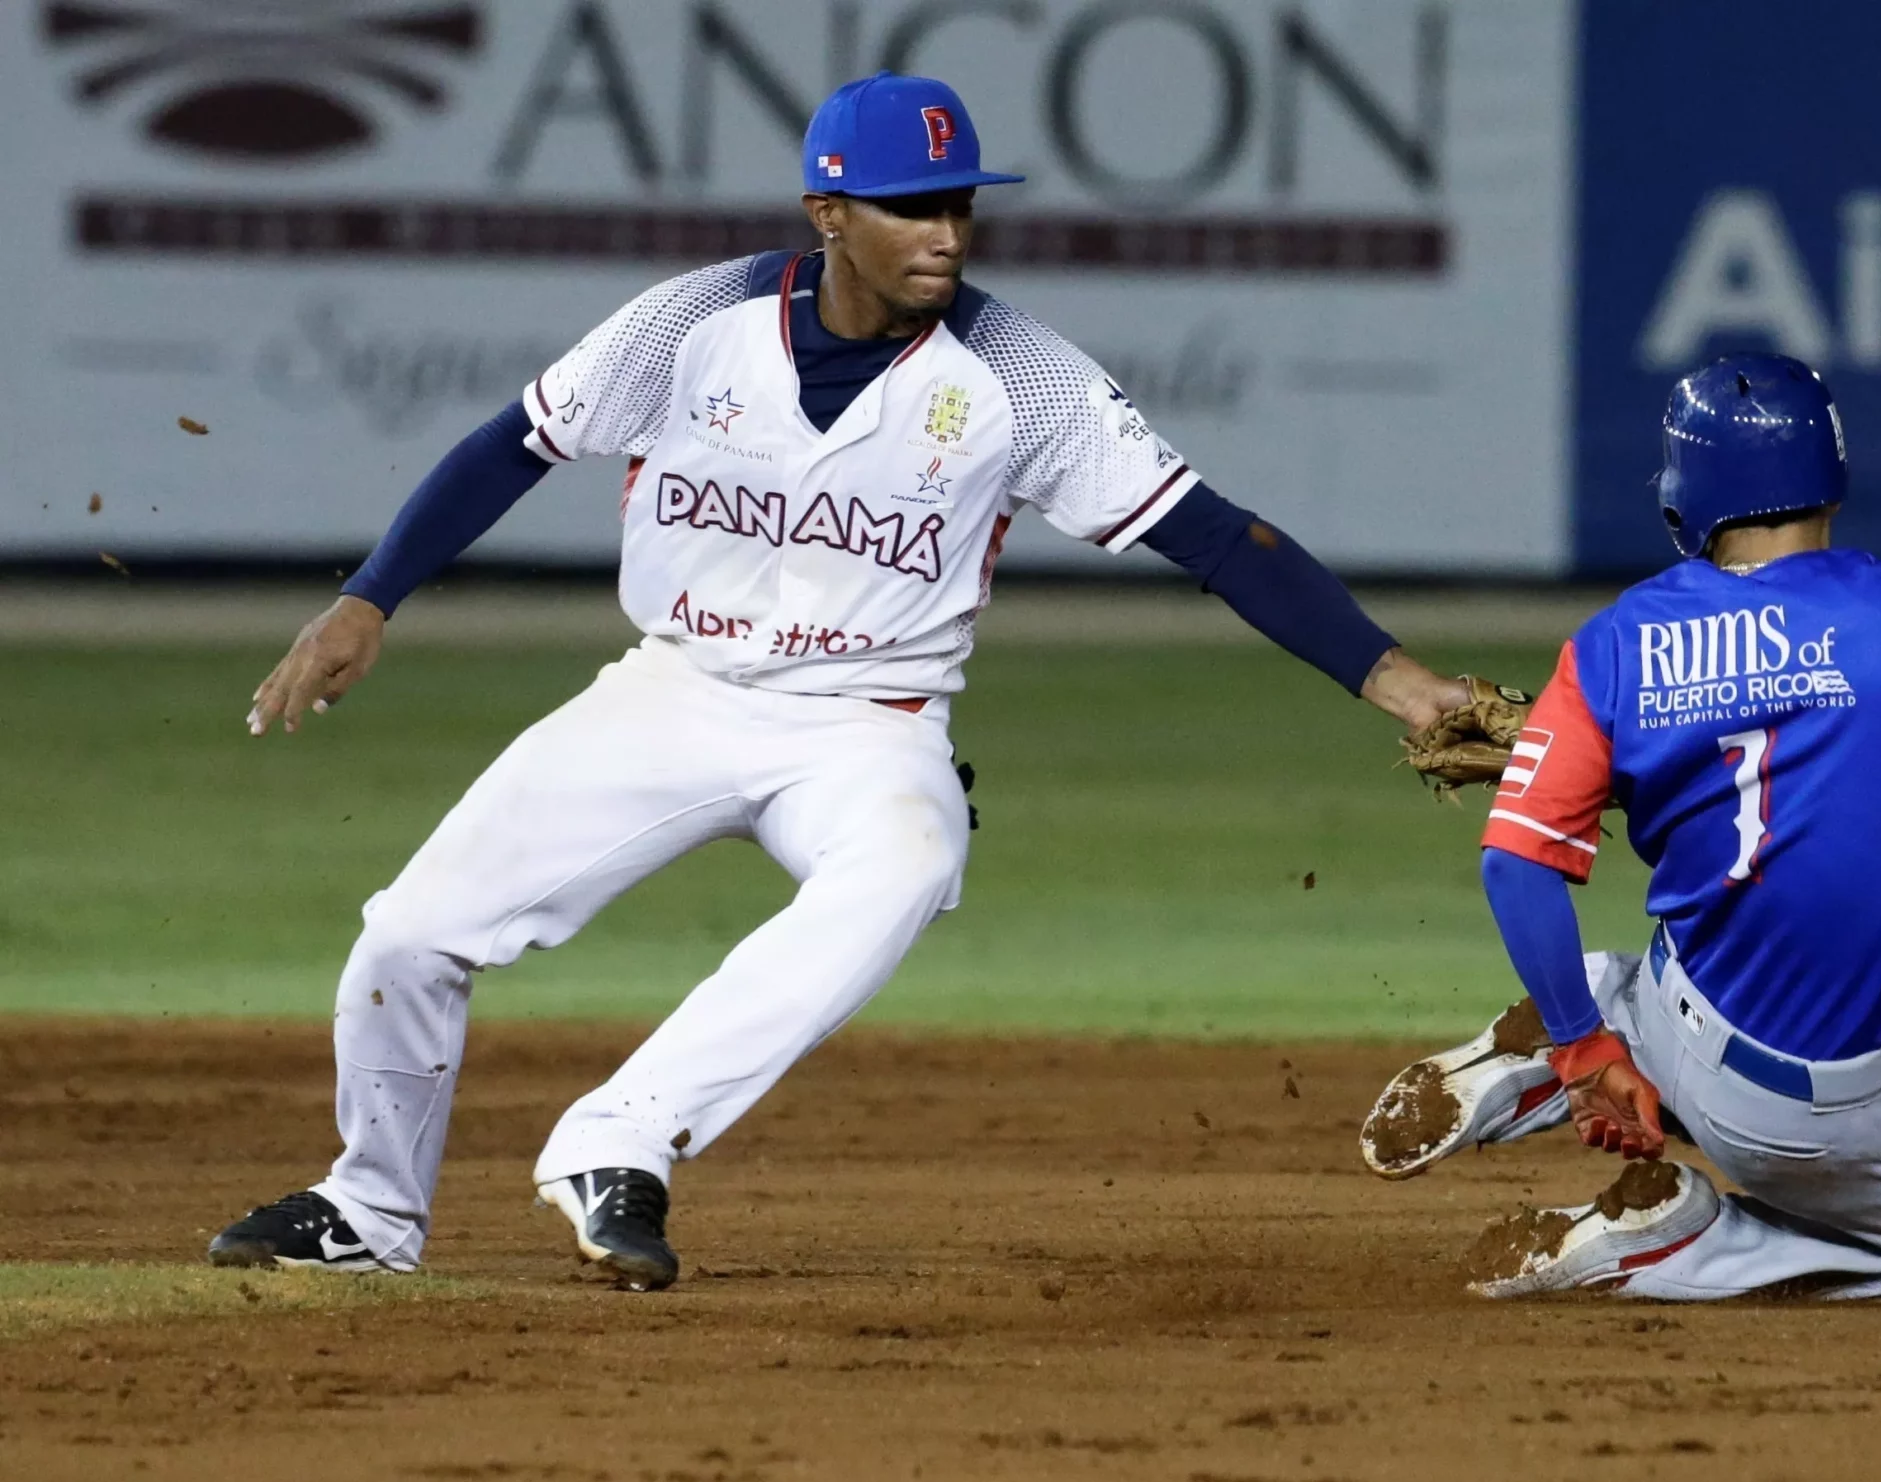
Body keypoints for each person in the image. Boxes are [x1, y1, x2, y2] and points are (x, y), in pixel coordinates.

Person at [208, 72, 1468, 1291]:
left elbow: (1210, 533)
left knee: (910, 861)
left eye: (961, 204)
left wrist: (1400, 684)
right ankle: (372, 1208)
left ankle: (622, 1137)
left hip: (873, 721)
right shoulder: (689, 322)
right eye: (913, 206)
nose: (947, 232)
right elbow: (515, 444)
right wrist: (370, 594)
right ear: (828, 215)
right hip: (673, 688)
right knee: (411, 933)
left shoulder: (1021, 376)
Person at [1358, 353, 1881, 1305]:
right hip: (1812, 1111)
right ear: (1830, 472)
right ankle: (1689, 1246)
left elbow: (1516, 862)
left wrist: (1588, 1050)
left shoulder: (1617, 642)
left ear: (1686, 494)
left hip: (1684, 1008)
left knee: (1657, 967)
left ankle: (1575, 1028)